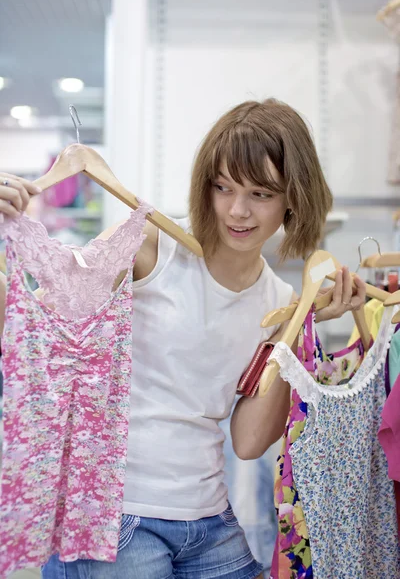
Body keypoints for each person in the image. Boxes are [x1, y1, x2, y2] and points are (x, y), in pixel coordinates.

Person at [0, 98, 366, 579]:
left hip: (210, 520)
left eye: (260, 194)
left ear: (293, 197)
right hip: (114, 518)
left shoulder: (278, 300)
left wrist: (300, 327)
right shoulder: (150, 249)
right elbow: (33, 327)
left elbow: (250, 441)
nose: (237, 210)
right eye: (223, 187)